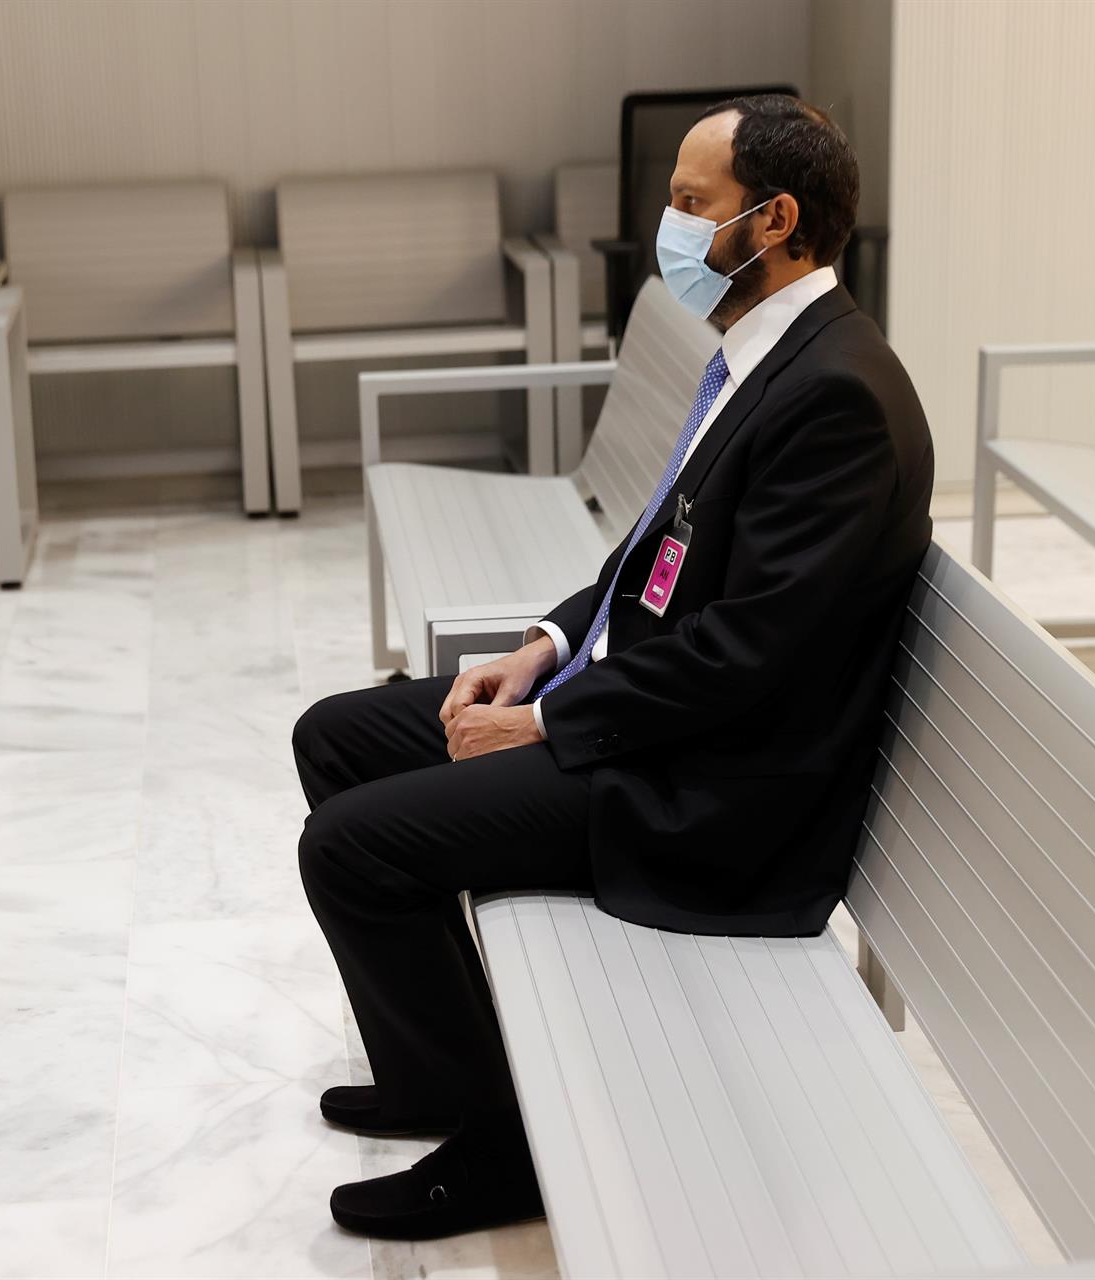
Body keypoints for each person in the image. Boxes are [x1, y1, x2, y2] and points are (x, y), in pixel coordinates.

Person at [292, 93, 933, 1241]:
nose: (665, 225)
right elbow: (654, 558)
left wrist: (547, 723)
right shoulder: (764, 356)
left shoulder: (837, 396)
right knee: (335, 736)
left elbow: (743, 653)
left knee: (351, 848)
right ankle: (442, 1076)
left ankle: (503, 1154)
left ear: (775, 220)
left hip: (708, 788)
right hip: (649, 715)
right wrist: (541, 650)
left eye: (691, 201)